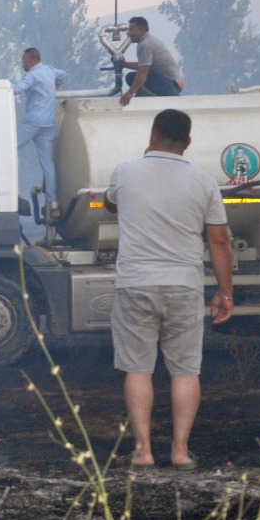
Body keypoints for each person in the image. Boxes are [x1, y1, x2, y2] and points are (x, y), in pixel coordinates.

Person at [104, 108, 234, 470]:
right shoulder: (204, 182)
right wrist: (225, 293)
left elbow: (109, 202)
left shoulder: (125, 172)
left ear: (153, 134)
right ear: (188, 143)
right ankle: (179, 451)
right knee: (185, 370)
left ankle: (143, 451)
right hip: (183, 284)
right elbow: (219, 242)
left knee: (138, 369)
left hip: (135, 283)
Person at [12, 47, 66, 230]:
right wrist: (54, 88)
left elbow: (17, 89)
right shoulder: (50, 70)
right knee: (47, 164)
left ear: (28, 60)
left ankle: (13, 192)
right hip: (48, 123)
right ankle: (53, 203)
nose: (22, 63)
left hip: (33, 122)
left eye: (23, 60)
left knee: (11, 150)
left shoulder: (33, 75)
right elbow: (63, 75)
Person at [117, 17, 184, 105]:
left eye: (132, 30)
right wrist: (125, 64)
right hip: (174, 86)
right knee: (135, 76)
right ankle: (147, 94)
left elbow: (143, 71)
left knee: (130, 77)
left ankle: (148, 96)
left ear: (142, 30)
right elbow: (146, 65)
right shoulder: (150, 40)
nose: (129, 34)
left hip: (169, 86)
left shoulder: (145, 45)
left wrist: (130, 93)